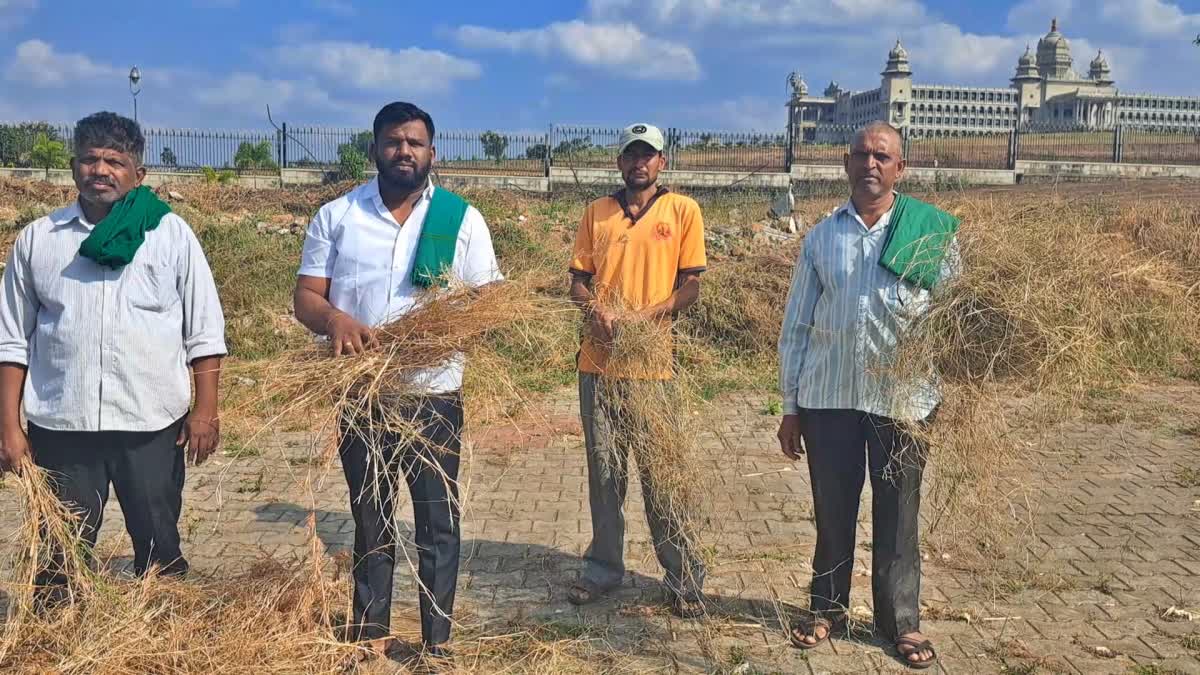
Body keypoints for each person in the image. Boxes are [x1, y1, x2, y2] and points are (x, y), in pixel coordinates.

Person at [293, 101, 502, 664]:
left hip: (434, 394)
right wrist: (334, 320)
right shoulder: (337, 216)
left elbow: (488, 301)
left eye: (414, 142)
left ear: (433, 152)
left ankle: (438, 641)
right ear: (374, 150)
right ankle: (371, 631)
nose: (403, 151)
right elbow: (307, 297)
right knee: (371, 516)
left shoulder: (462, 219)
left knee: (438, 520)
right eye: (393, 141)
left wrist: (445, 332)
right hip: (363, 395)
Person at [0, 112, 226, 594]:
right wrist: (8, 427)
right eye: (89, 159)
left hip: (150, 425)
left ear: (138, 174)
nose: (99, 170)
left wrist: (205, 411)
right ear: (73, 167)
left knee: (160, 550)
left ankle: (163, 640)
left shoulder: (170, 235)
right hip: (63, 427)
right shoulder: (39, 240)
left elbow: (204, 331)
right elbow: (12, 340)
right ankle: (53, 644)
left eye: (114, 161)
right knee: (59, 555)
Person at [777, 121, 958, 669]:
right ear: (846, 163)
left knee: (899, 514)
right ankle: (825, 608)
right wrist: (790, 407)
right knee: (832, 508)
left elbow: (954, 322)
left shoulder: (929, 233)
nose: (870, 164)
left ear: (901, 168)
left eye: (882, 155)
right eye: (861, 154)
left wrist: (947, 392)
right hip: (827, 398)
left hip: (903, 401)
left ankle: (899, 621)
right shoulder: (821, 236)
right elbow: (796, 327)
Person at [566, 123, 708, 618]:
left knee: (661, 475)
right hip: (598, 365)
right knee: (605, 474)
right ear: (620, 161)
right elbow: (578, 282)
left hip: (652, 366)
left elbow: (690, 286)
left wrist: (646, 317)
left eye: (648, 155)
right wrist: (596, 312)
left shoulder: (682, 211)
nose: (638, 163)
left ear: (661, 163)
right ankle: (604, 569)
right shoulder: (597, 213)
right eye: (631, 154)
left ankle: (684, 578)